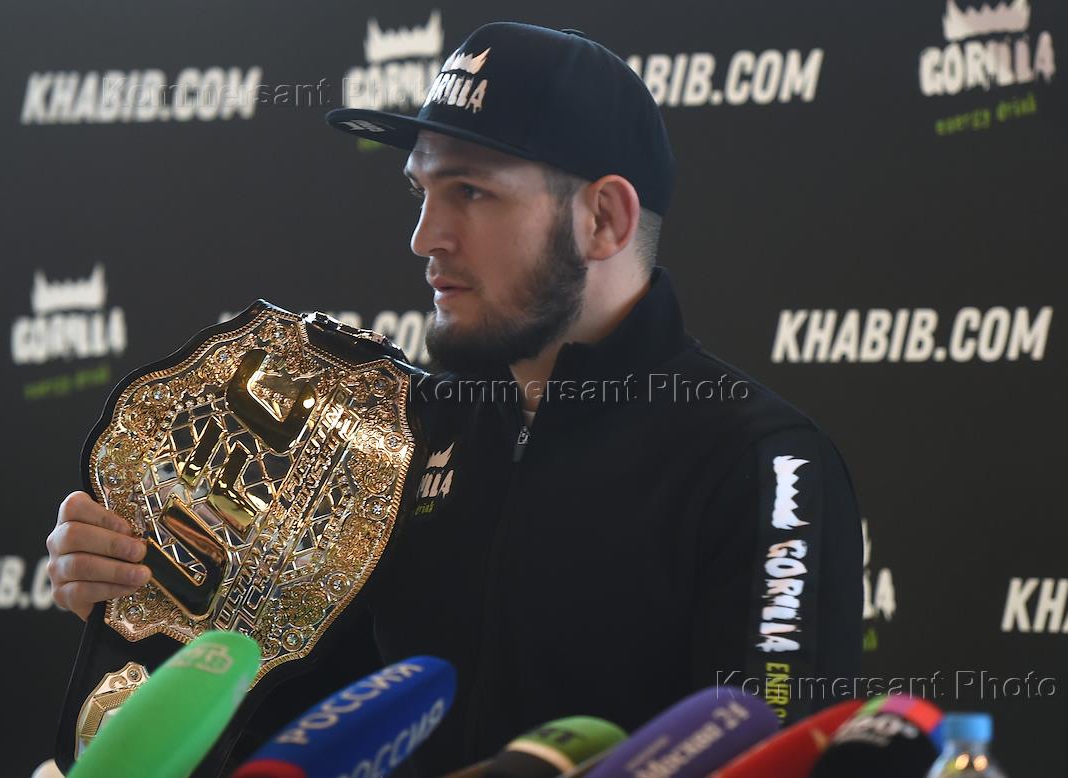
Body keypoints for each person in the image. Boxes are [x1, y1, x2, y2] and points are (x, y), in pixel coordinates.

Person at [46, 22, 863, 776]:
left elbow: (770, 750)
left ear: (604, 219)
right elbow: (298, 732)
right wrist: (145, 602)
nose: (425, 237)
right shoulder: (397, 438)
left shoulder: (759, 461)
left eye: (471, 192)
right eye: (421, 192)